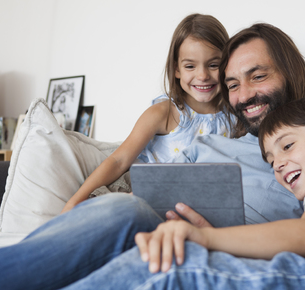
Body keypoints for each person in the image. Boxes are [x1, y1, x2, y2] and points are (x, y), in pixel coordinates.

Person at [0, 23, 305, 290]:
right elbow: (137, 172)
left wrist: (204, 236)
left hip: (225, 254)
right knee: (123, 209)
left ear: (290, 71)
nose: (243, 94)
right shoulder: (215, 138)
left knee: (157, 265)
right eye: (233, 84)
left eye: (258, 76)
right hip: (174, 231)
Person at [61, 13, 233, 212]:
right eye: (190, 66)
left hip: (186, 204)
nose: (202, 75)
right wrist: (74, 201)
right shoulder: (164, 112)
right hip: (137, 190)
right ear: (176, 69)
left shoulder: (234, 119)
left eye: (214, 65)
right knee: (107, 214)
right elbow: (119, 160)